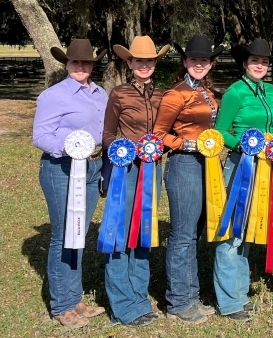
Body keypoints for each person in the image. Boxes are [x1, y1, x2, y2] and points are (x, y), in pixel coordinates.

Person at [32, 39, 107, 328]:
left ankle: (74, 298)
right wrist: (70, 148)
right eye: (75, 62)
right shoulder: (54, 95)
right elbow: (40, 136)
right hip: (62, 168)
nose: (81, 67)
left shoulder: (100, 93)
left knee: (79, 233)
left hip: (92, 168)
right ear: (66, 64)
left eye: (86, 62)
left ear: (92, 65)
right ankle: (61, 305)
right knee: (63, 234)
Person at [153, 35, 223, 323]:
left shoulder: (207, 91)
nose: (199, 64)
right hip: (184, 165)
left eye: (204, 60)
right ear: (185, 62)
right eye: (194, 60)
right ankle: (179, 301)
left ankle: (191, 295)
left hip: (207, 166)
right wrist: (188, 144)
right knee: (182, 234)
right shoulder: (176, 94)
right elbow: (158, 135)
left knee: (193, 233)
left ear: (210, 63)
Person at [213, 38, 273, 322]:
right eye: (255, 61)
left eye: (264, 61)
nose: (259, 65)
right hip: (241, 165)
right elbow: (219, 132)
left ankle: (240, 293)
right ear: (245, 64)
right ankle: (229, 302)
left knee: (250, 228)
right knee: (232, 229)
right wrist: (244, 145)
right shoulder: (235, 93)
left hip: (267, 167)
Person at [102, 35, 170, 326]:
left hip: (152, 170)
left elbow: (166, 134)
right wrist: (119, 152)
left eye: (149, 60)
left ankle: (139, 297)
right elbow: (107, 134)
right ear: (129, 62)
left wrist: (162, 146)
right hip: (125, 172)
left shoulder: (163, 95)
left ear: (155, 62)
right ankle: (122, 304)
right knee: (120, 234)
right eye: (138, 60)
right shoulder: (118, 94)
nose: (144, 65)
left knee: (143, 232)